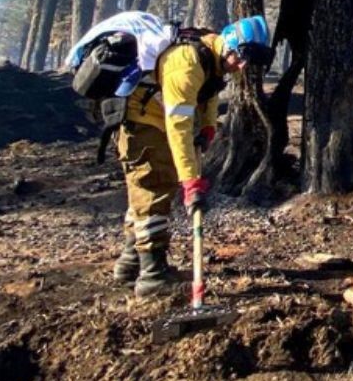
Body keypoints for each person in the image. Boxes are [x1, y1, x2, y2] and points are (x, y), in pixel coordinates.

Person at [103, 15, 275, 297]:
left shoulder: (211, 54)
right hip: (141, 121)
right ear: (230, 45)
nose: (243, 66)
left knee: (150, 192)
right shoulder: (185, 65)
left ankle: (130, 263)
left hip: (157, 118)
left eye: (251, 61)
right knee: (153, 187)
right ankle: (153, 277)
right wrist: (191, 181)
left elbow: (208, 92)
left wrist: (207, 127)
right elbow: (178, 126)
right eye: (242, 57)